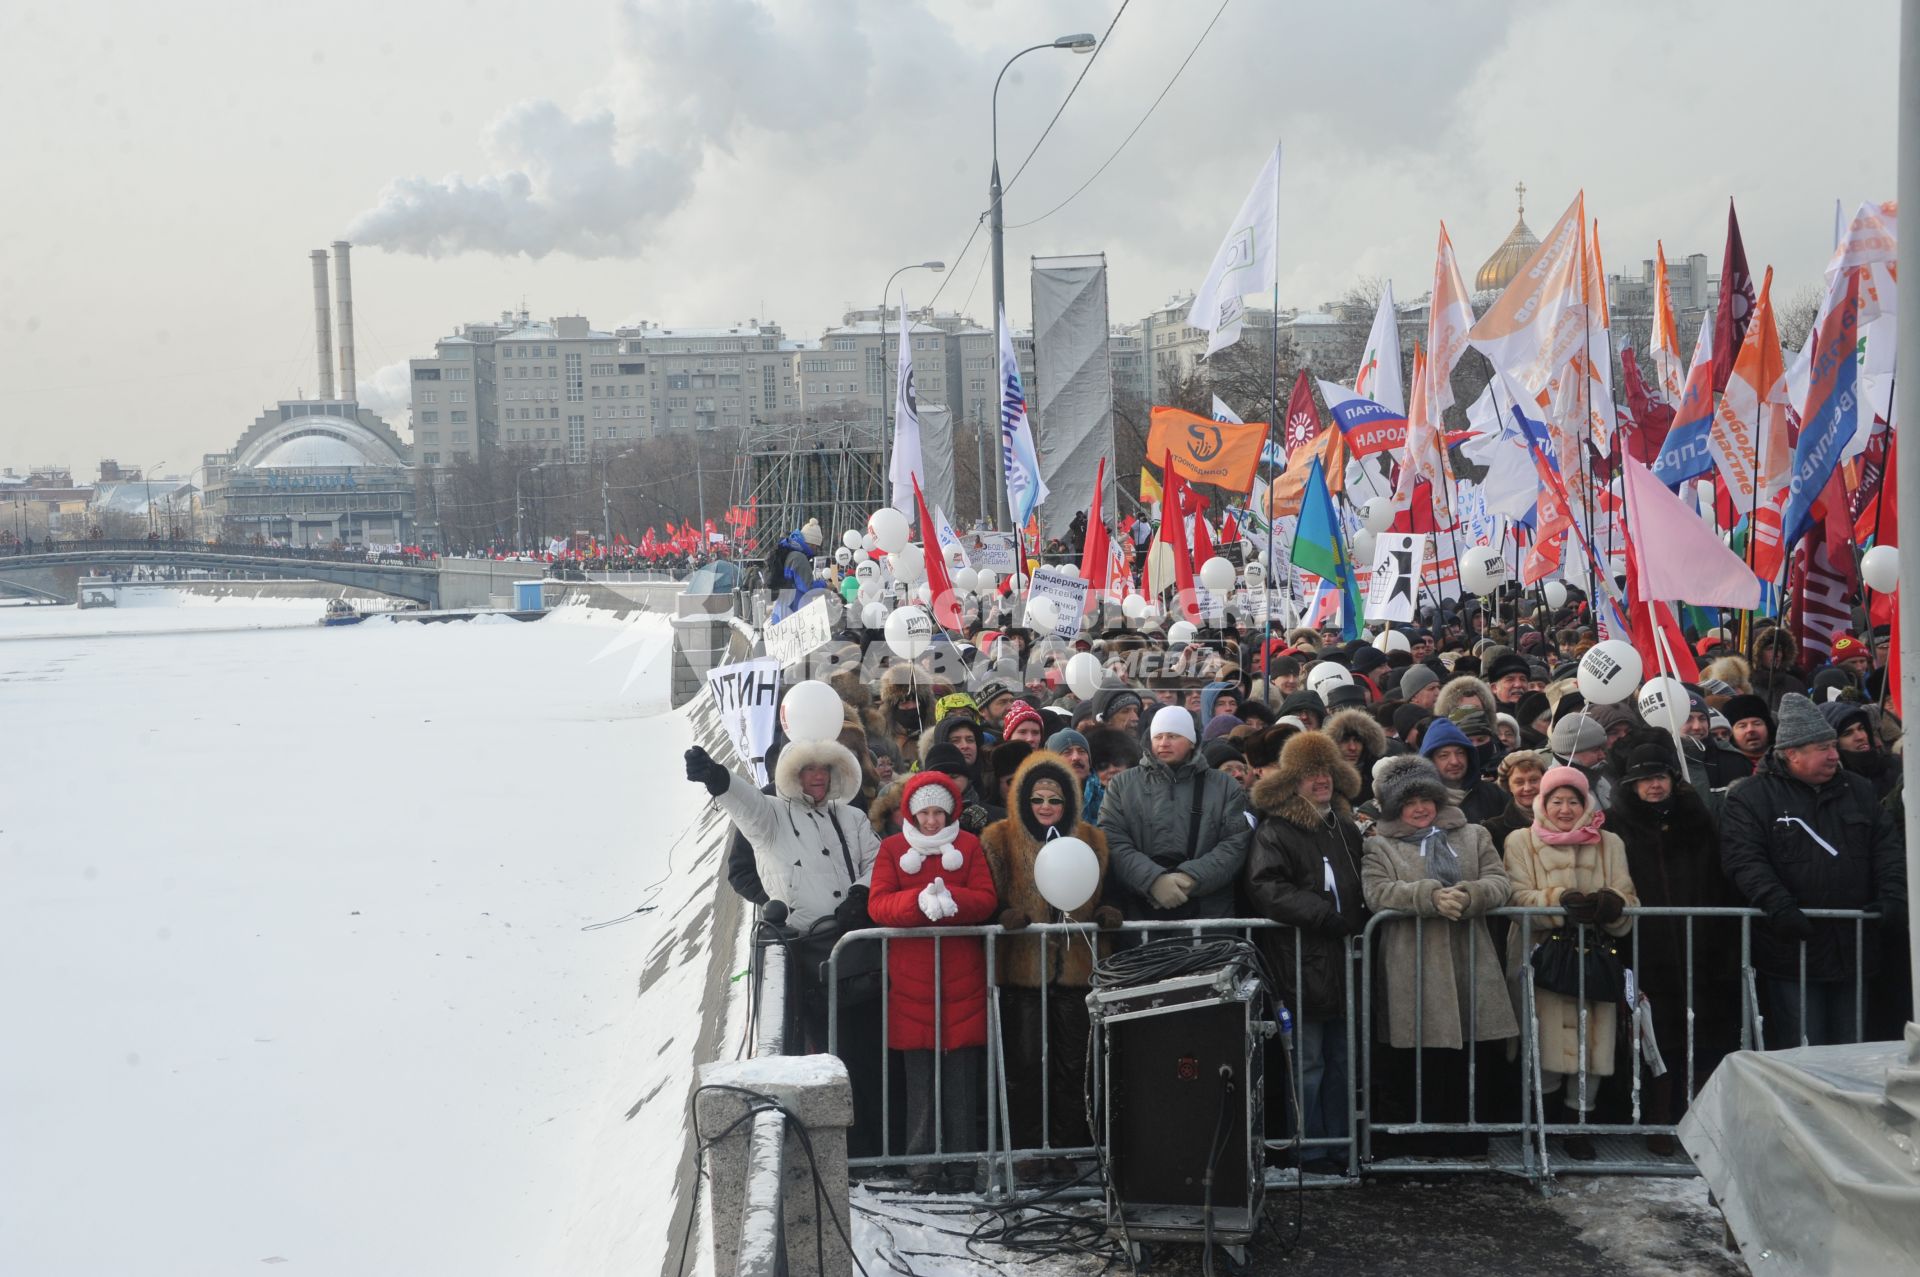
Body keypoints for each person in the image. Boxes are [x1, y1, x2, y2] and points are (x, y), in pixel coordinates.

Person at [1720, 693, 1907, 1049]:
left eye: (1833, 746)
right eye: (1824, 748)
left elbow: (1887, 850)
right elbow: (1744, 860)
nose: (1835, 755)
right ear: (1792, 753)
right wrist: (1780, 906)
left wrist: (1892, 896)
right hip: (1793, 951)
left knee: (1852, 1050)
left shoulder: (1859, 791)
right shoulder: (1751, 798)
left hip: (1855, 946)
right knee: (1805, 1051)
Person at [1361, 755, 1517, 1148]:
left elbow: (1499, 881)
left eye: (1425, 799)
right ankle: (1422, 1141)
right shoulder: (1380, 845)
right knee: (1419, 1059)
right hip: (1413, 967)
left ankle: (1468, 1139)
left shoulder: (1474, 835)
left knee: (1470, 1054)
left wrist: (1470, 895)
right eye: (1408, 802)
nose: (1419, 808)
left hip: (1470, 959)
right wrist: (1427, 896)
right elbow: (1377, 892)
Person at [980, 750, 1119, 1164]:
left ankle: (1068, 1152)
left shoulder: (1093, 839)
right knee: (1024, 1069)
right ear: (1023, 799)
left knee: (1074, 1068)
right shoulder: (998, 838)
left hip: (1076, 975)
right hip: (1023, 975)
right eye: (1038, 799)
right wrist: (1001, 914)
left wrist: (1108, 912)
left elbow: (1108, 893)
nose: (1045, 807)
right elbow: (987, 898)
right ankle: (1027, 1154)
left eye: (1055, 800)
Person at [866, 771, 1000, 1191]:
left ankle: (961, 1164)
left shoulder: (969, 846)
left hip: (962, 978)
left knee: (960, 1078)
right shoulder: (891, 849)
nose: (930, 821)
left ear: (949, 812)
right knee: (919, 1078)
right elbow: (879, 905)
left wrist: (950, 903)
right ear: (910, 811)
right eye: (924, 812)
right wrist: (917, 903)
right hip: (912, 979)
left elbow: (985, 899)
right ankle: (922, 1164)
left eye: (938, 812)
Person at [1246, 732, 1368, 1169]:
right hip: (1301, 960)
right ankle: (1310, 1146)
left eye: (1328, 772)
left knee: (1341, 1060)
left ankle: (1339, 1141)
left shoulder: (1343, 826)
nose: (1323, 781)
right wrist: (1320, 914)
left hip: (1342, 959)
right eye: (1312, 773)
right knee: (1309, 1061)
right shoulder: (1276, 830)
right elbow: (1266, 887)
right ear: (1293, 780)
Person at [1606, 744, 1737, 1152]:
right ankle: (1659, 1123)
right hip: (1649, 946)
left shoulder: (1696, 818)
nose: (1654, 786)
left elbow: (1718, 876)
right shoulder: (1617, 825)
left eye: (1660, 777)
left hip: (1703, 942)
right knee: (1656, 1038)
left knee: (1705, 1034)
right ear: (1632, 784)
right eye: (1645, 779)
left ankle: (1699, 1121)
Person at [1503, 766, 1638, 1158]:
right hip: (1540, 956)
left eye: (1573, 801)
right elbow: (1515, 896)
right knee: (1541, 1040)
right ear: (1541, 803)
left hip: (1595, 955)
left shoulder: (1608, 842)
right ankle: (1543, 1121)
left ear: (1586, 803)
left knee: (1591, 1040)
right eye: (1556, 801)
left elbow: (1629, 898)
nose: (1565, 809)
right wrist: (1558, 900)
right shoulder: (1520, 840)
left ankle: (1580, 1121)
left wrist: (1611, 905)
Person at [1099, 704, 1253, 922]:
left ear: (1191, 740)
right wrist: (1153, 881)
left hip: (1209, 922)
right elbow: (1112, 839)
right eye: (1158, 736)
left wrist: (1190, 878)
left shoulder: (1225, 786)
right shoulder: (1122, 785)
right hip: (1141, 918)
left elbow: (1235, 843)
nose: (1163, 743)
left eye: (1173, 735)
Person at [1421, 718, 1507, 823]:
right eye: (1444, 755)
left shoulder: (1493, 795)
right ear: (1430, 761)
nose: (1454, 761)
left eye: (1460, 753)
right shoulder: (1420, 801)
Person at [767, 518, 825, 620]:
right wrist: (825, 585)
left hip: (781, 612)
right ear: (812, 544)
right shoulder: (798, 558)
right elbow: (808, 587)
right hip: (791, 616)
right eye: (816, 547)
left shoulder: (789, 553)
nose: (816, 550)